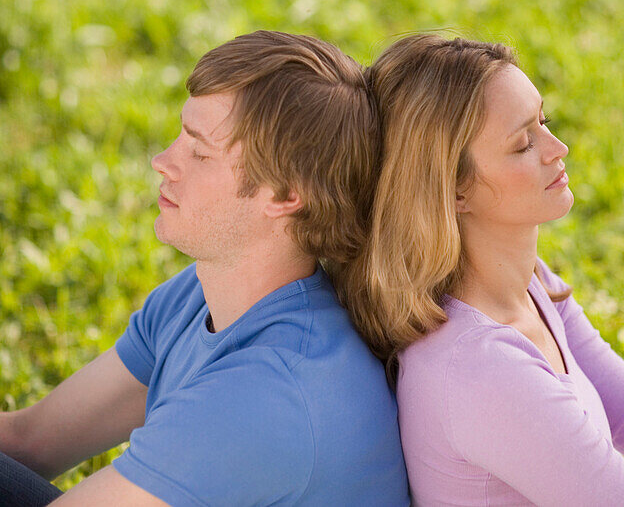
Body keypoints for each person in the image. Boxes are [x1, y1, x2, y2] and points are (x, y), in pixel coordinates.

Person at [0, 31, 410, 507]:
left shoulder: (268, 395)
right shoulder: (201, 294)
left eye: (199, 152)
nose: (162, 162)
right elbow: (31, 442)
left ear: (284, 196)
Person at [338, 33, 624, 506]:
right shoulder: (480, 372)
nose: (558, 148)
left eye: (544, 121)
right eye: (524, 143)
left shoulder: (529, 284)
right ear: (454, 190)